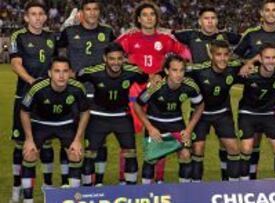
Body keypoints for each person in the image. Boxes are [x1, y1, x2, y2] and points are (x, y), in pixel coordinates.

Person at [115, 1, 191, 183]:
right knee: (128, 139)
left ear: (157, 18)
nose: (149, 18)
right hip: (134, 93)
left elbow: (186, 54)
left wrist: (176, 72)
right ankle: (124, 179)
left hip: (158, 94)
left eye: (152, 14)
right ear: (138, 19)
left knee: (159, 137)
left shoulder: (165, 39)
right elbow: (111, 54)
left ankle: (158, 179)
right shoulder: (130, 38)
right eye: (145, 15)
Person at [174, 6, 241, 180]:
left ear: (217, 21)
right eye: (206, 18)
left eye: (213, 18)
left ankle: (229, 185)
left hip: (222, 106)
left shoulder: (226, 36)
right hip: (200, 105)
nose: (210, 21)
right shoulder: (191, 35)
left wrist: (248, 63)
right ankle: (197, 186)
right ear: (200, 21)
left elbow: (248, 42)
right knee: (197, 149)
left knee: (229, 146)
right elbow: (168, 34)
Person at [57, 0, 115, 186]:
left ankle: (98, 181)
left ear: (99, 12)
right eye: (88, 9)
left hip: (100, 93)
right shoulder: (70, 32)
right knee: (70, 138)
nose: (92, 13)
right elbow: (57, 54)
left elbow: (116, 57)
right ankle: (67, 181)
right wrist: (68, 71)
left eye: (95, 9)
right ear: (81, 12)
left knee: (99, 139)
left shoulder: (107, 32)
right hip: (75, 92)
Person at [235, 0, 275, 179]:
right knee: (254, 139)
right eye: (267, 10)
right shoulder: (251, 34)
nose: (271, 13)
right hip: (254, 92)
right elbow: (235, 58)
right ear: (261, 13)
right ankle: (251, 176)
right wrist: (250, 62)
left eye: (274, 10)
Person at [20, 56, 90, 203]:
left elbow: (85, 112)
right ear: (50, 73)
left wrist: (78, 140)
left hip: (65, 124)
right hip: (41, 124)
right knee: (29, 154)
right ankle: (28, 200)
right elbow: (24, 112)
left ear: (70, 72)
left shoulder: (77, 88)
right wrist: (29, 139)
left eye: (65, 71)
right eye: (57, 71)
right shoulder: (37, 88)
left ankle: (73, 197)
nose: (61, 75)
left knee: (75, 154)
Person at [77, 43, 148, 186]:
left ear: (124, 59)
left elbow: (146, 79)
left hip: (121, 116)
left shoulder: (133, 71)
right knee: (89, 155)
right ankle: (87, 193)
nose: (116, 62)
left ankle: (131, 191)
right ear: (105, 58)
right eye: (112, 59)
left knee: (131, 154)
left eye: (119, 59)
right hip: (98, 116)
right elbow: (76, 77)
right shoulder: (94, 72)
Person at [8, 1, 57, 201]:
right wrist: (33, 82)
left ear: (45, 17)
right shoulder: (18, 36)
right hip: (25, 96)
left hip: (47, 98)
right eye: (33, 14)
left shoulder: (52, 37)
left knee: (46, 143)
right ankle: (16, 188)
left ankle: (47, 187)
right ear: (26, 17)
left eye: (41, 14)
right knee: (21, 144)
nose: (37, 17)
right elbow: (15, 64)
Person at [134, 54, 204, 184]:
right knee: (151, 158)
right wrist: (150, 128)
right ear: (166, 71)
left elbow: (200, 105)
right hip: (155, 124)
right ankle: (145, 193)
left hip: (176, 123)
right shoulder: (155, 86)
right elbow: (137, 105)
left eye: (182, 70)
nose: (179, 74)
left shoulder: (190, 86)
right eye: (174, 70)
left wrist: (188, 129)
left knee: (186, 155)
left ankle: (185, 193)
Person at [187, 40, 241, 182]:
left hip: (222, 113)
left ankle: (232, 186)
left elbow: (252, 63)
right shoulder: (198, 70)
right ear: (211, 55)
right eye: (218, 55)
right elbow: (176, 70)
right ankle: (196, 185)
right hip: (200, 114)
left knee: (233, 148)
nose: (222, 58)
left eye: (225, 55)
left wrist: (251, 63)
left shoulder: (233, 67)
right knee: (198, 149)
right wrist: (157, 75)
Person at [237, 44, 275, 180]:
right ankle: (244, 185)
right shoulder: (248, 74)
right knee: (247, 148)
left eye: (273, 58)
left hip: (269, 114)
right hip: (248, 113)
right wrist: (247, 64)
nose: (271, 61)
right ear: (260, 58)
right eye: (267, 57)